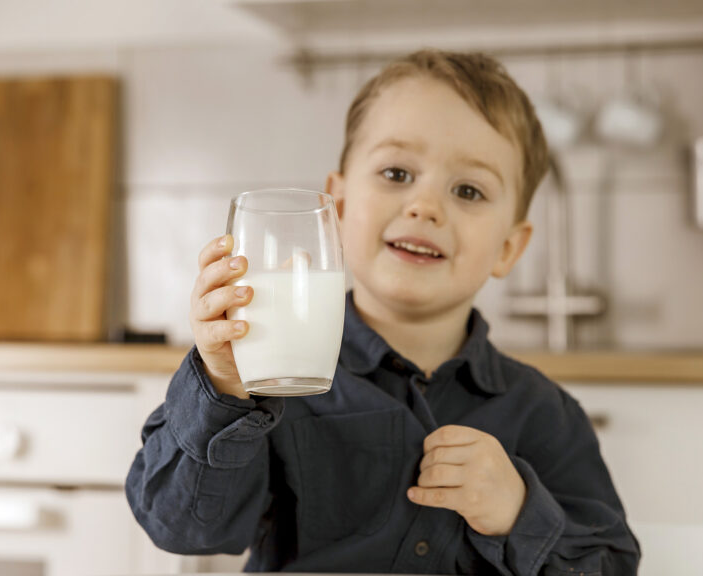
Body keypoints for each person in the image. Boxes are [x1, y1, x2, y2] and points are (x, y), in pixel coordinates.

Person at [126, 49, 640, 574]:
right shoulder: (266, 381)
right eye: (396, 173)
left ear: (509, 247)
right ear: (339, 207)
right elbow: (181, 529)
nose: (424, 206)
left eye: (468, 190)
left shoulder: (545, 414)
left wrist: (518, 512)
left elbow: (612, 565)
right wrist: (223, 385)